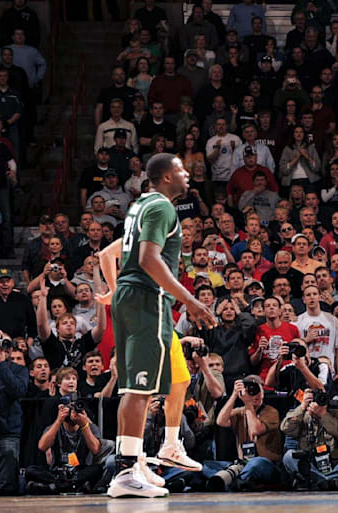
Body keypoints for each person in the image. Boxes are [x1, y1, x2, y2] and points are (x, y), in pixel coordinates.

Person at [101, 154, 216, 498]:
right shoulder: (162, 208)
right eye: (181, 170)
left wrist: (115, 289)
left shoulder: (141, 205)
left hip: (134, 298)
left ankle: (141, 459)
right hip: (147, 300)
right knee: (139, 389)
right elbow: (148, 258)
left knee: (163, 381)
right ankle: (124, 473)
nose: (188, 174)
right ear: (167, 177)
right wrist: (191, 301)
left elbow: (116, 254)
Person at [0, 335, 28, 495]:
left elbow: (18, 391)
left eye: (6, 346)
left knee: (7, 487)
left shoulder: (19, 369)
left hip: (7, 433)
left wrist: (1, 365)